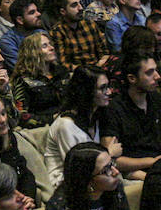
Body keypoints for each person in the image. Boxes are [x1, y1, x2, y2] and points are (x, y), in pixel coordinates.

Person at [43, 65, 115, 194]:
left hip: (96, 178)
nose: (109, 92)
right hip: (65, 186)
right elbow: (79, 170)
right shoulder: (66, 125)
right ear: (87, 91)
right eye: (102, 88)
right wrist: (110, 154)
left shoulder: (97, 116)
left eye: (108, 86)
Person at [100, 50, 161, 180]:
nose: (157, 76)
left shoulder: (157, 99)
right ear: (132, 78)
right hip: (133, 170)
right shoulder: (113, 109)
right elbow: (111, 159)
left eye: (156, 70)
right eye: (149, 73)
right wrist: (153, 162)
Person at [9, 32, 67, 128]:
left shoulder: (61, 72)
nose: (51, 48)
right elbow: (22, 116)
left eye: (50, 44)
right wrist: (52, 118)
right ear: (33, 52)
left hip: (67, 121)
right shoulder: (23, 80)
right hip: (44, 128)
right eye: (45, 46)